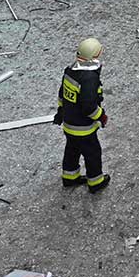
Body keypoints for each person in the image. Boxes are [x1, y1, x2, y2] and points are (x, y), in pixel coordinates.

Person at [53, 37, 111, 193]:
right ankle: (96, 181)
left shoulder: (70, 71)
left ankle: (70, 177)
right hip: (83, 128)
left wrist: (60, 112)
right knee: (92, 153)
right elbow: (89, 107)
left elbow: (62, 96)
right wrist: (101, 116)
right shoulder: (89, 79)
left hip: (69, 124)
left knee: (72, 150)